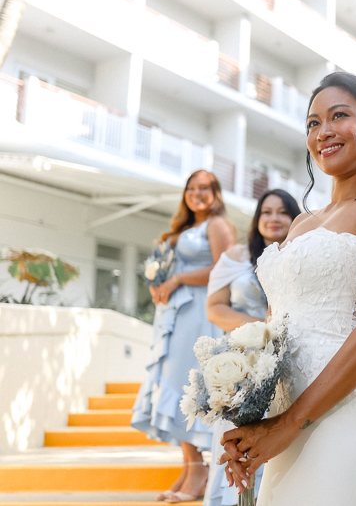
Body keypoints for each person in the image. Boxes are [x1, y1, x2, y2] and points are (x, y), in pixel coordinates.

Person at [217, 72, 356, 506]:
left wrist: (288, 424)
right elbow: (276, 329)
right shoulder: (301, 223)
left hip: (340, 413)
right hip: (283, 412)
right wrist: (250, 414)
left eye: (339, 116)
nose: (323, 131)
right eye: (313, 123)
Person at [131, 170, 236, 503]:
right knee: (175, 386)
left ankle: (199, 470)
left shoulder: (217, 225)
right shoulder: (181, 229)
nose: (197, 193)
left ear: (216, 193)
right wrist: (159, 283)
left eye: (204, 188)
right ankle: (191, 467)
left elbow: (224, 269)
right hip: (175, 316)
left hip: (199, 314)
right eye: (191, 188)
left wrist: (177, 280)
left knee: (188, 384)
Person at [203, 189, 301, 506]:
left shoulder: (301, 258)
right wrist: (261, 329)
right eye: (266, 212)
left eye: (282, 212)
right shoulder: (236, 256)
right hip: (242, 361)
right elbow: (215, 308)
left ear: (295, 217)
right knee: (238, 442)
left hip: (291, 360)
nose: (274, 218)